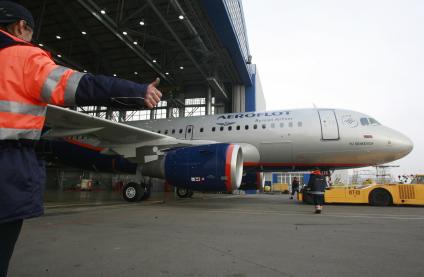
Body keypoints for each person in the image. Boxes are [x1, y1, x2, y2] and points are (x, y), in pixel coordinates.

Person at [0, 2, 162, 276]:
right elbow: (79, 85)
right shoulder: (22, 57)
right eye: (31, 32)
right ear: (20, 27)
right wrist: (136, 91)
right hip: (7, 166)